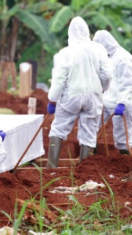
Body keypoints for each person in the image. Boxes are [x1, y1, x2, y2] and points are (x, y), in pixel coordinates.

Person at [46, 17, 112, 168]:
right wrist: (103, 88)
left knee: (59, 128)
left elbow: (59, 80)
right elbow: (107, 74)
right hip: (94, 97)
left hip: (71, 97)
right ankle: (84, 170)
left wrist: (52, 99)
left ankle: (51, 168)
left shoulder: (65, 52)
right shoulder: (99, 49)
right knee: (89, 133)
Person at [93, 30, 132, 155]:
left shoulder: (123, 58)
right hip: (107, 101)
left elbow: (128, 83)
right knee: (92, 126)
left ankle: (126, 161)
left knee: (122, 134)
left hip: (122, 104)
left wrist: (122, 102)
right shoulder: (107, 58)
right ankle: (90, 158)